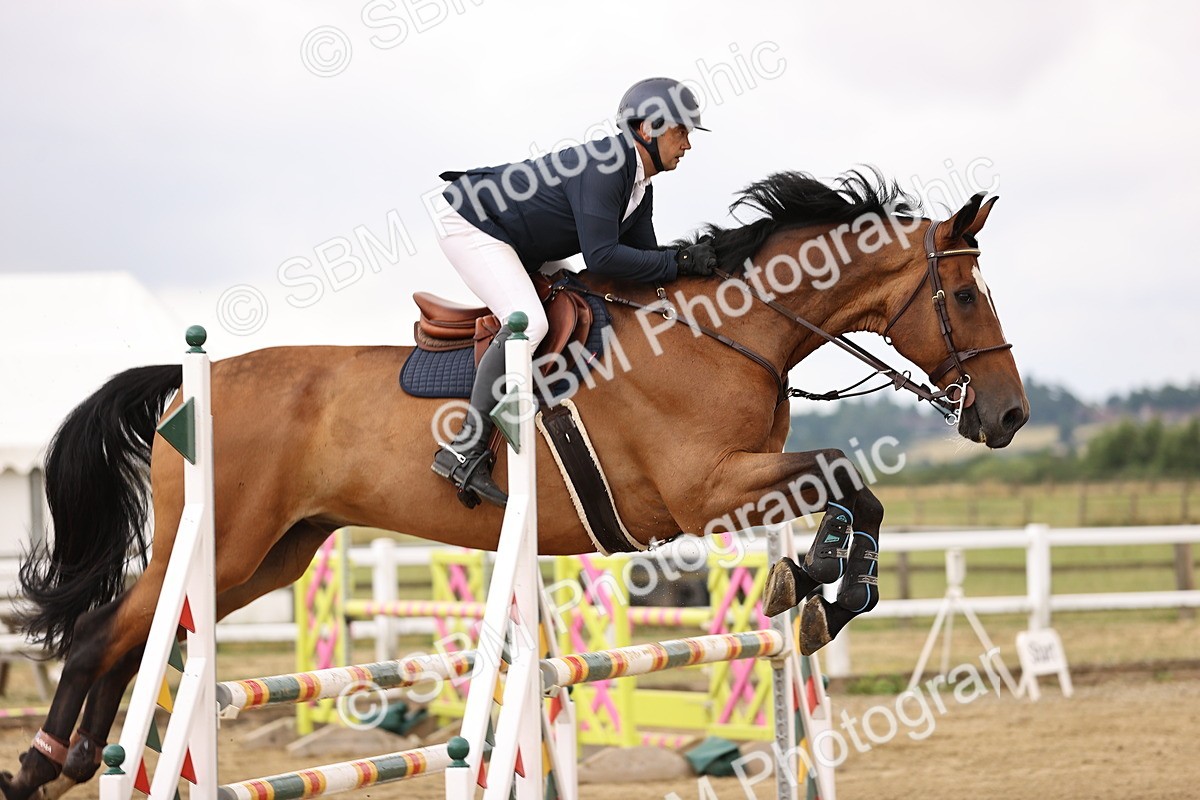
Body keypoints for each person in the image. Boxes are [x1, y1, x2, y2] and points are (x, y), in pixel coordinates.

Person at [431, 77, 719, 509]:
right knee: (528, 323)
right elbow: (604, 258)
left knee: (586, 301)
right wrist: (677, 262)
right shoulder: (607, 165)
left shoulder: (640, 186)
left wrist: (692, 269)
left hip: (523, 240)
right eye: (681, 131)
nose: (688, 144)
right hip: (473, 222)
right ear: (648, 129)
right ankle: (464, 446)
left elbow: (643, 261)